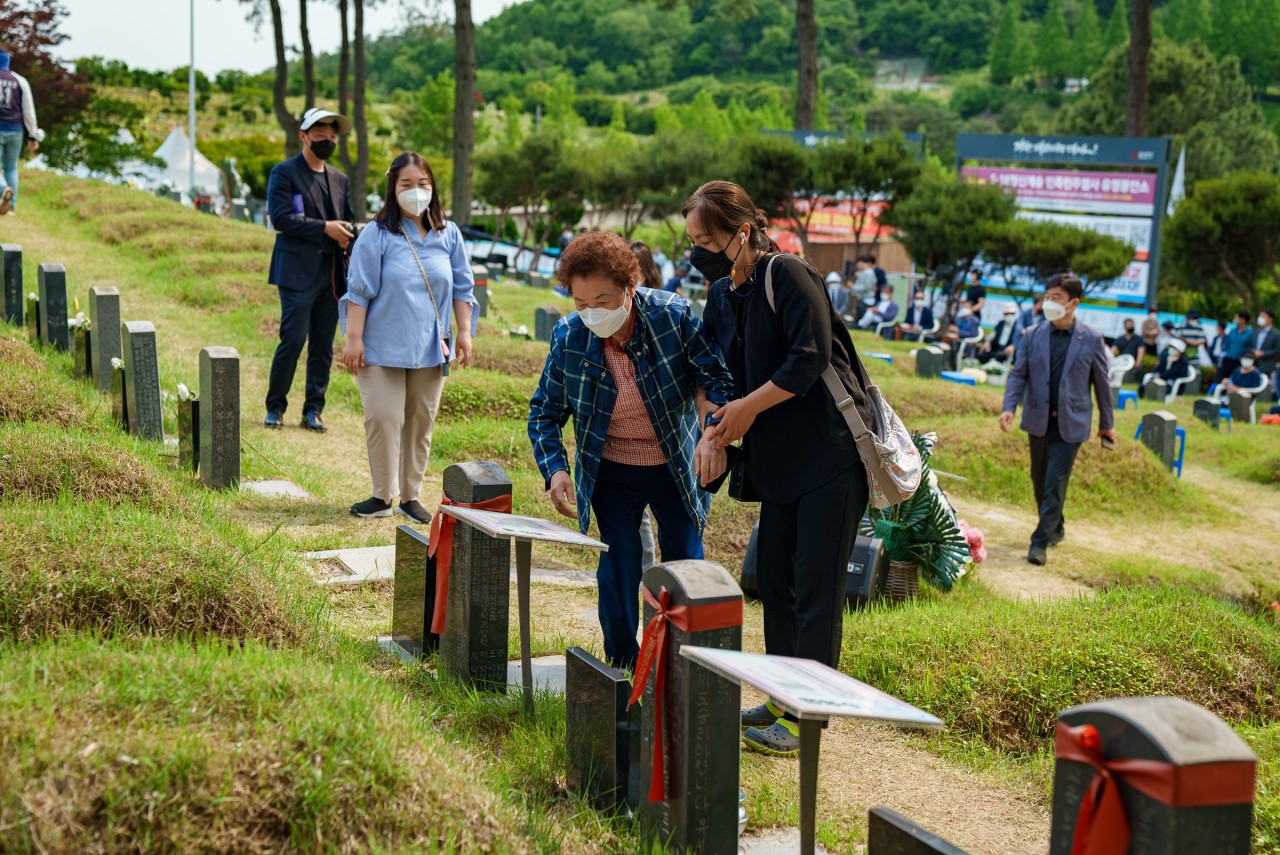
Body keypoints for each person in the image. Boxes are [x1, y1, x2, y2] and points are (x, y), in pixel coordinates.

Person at [683, 180, 871, 757]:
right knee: (775, 584)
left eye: (707, 241)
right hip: (779, 463)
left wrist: (745, 410)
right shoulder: (721, 296)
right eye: (691, 242)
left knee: (815, 590)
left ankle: (807, 716)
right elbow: (710, 370)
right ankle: (782, 697)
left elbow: (809, 357)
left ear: (743, 233)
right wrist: (713, 426)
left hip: (831, 456)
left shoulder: (787, 274)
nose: (698, 254)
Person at [527, 231, 733, 672]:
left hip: (674, 462)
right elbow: (544, 411)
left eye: (602, 300)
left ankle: (684, 667)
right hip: (611, 466)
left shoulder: (672, 316)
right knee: (618, 565)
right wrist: (556, 470)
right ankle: (621, 667)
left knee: (685, 562)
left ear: (629, 286)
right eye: (581, 303)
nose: (592, 313)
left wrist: (712, 433)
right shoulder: (569, 336)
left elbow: (715, 376)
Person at [340, 152, 476, 521]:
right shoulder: (377, 235)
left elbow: (462, 287)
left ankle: (410, 497)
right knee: (383, 418)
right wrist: (354, 338)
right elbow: (359, 290)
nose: (416, 191)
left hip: (430, 347)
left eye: (422, 183)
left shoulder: (449, 234)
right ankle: (382, 495)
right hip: (379, 346)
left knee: (420, 421)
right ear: (393, 188)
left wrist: (464, 332)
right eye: (407, 184)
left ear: (433, 187)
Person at [1000, 274, 1115, 567]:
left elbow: (1102, 384)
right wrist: (1009, 407)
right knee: (1039, 481)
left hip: (1072, 423)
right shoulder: (1032, 335)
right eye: (1047, 296)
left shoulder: (1091, 338)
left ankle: (1039, 542)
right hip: (1038, 419)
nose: (1049, 302)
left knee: (1055, 482)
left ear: (1073, 303)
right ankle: (1056, 525)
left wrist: (1107, 423)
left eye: (1057, 298)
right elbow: (1018, 374)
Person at [264, 107, 355, 432]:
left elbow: (348, 218)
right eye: (320, 134)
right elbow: (281, 218)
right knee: (293, 338)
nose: (327, 139)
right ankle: (275, 407)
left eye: (332, 135)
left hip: (331, 273)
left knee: (322, 345)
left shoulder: (340, 179)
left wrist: (348, 234)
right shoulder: (284, 173)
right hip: (296, 271)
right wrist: (324, 228)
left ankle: (313, 410)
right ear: (303, 136)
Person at [0, 46, 44, 217]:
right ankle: (10, 206)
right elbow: (29, 112)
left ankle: (3, 189)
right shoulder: (20, 81)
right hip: (16, 130)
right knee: (11, 168)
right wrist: (33, 135)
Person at [1249, 309, 1280, 400]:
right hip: (1253, 363)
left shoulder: (1276, 334)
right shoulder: (1255, 332)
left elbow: (1278, 350)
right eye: (1260, 316)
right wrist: (1253, 352)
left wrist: (1263, 353)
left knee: (1264, 386)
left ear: (1270, 319)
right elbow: (1248, 346)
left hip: (1267, 364)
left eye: (1263, 316)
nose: (1260, 318)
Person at [1218, 311, 1254, 383]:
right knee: (1221, 379)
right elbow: (1226, 344)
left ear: (1243, 319)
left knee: (1235, 381)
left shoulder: (1250, 333)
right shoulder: (1232, 331)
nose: (1235, 319)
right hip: (1228, 359)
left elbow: (1250, 347)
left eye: (1237, 318)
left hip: (1239, 361)